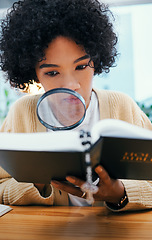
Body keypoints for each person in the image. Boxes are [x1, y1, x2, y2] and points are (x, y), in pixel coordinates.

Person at [0, 0, 152, 211]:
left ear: (96, 60)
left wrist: (119, 194)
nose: (71, 85)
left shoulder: (122, 107)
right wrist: (37, 182)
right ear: (32, 72)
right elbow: (1, 187)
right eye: (52, 72)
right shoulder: (21, 114)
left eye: (81, 66)